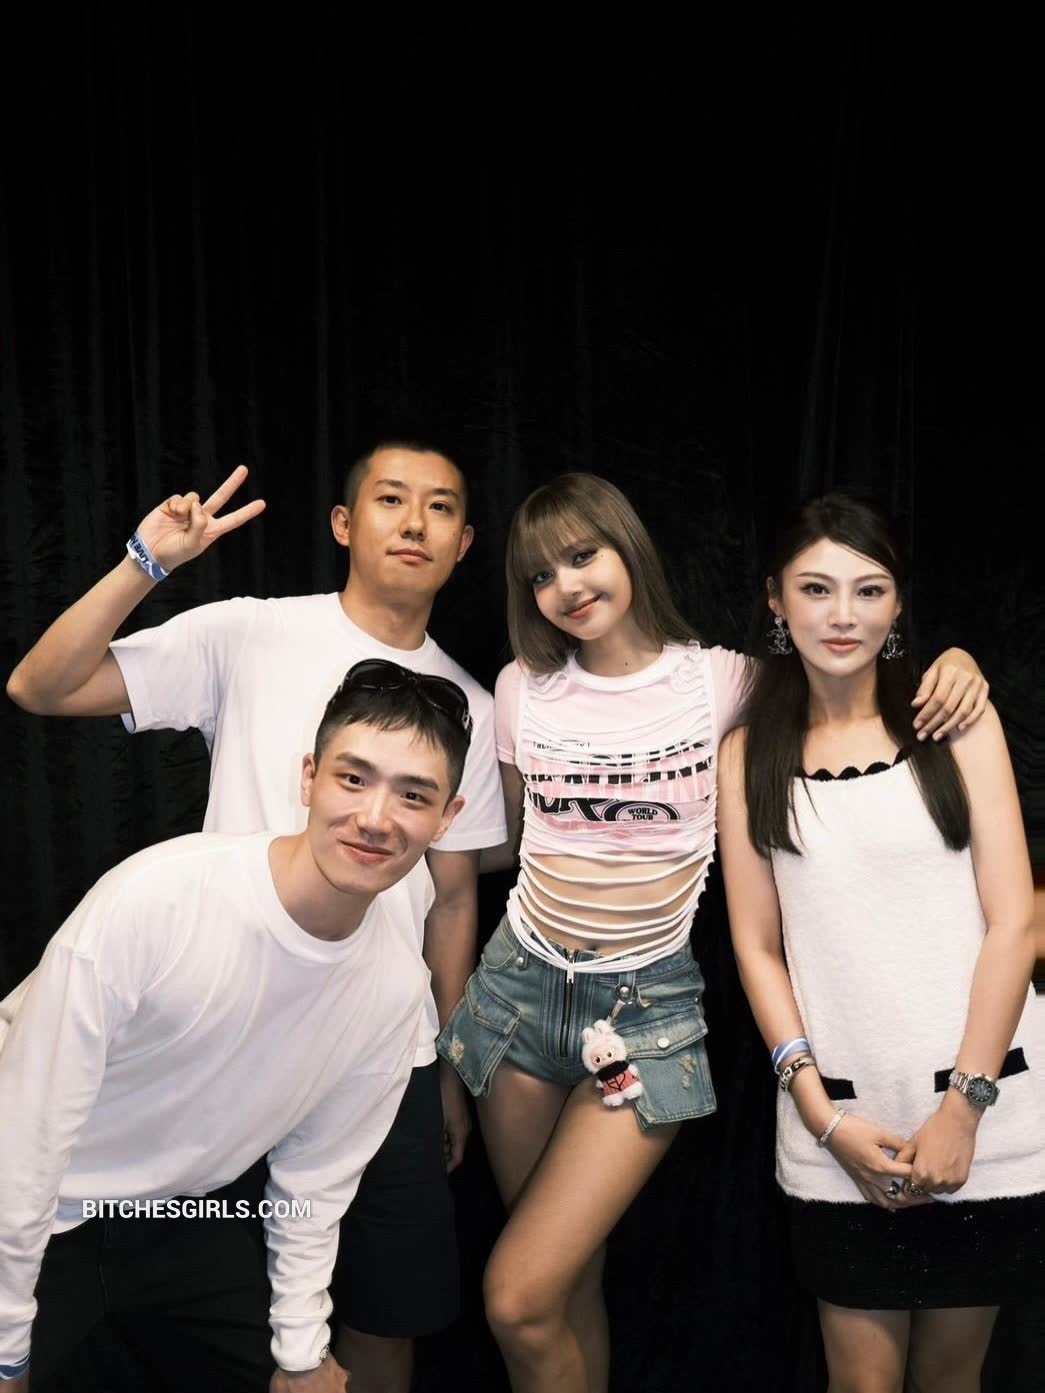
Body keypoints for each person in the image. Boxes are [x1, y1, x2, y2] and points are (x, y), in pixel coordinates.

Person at [436, 473, 988, 1393]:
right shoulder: (522, 688)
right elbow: (512, 839)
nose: (566, 585)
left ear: (626, 548)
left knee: (516, 1295)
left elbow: (842, 671)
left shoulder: (721, 680)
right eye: (540, 575)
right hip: (514, 996)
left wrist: (958, 656)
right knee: (562, 1283)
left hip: (644, 1011)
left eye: (582, 556)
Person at [5, 444, 506, 1392]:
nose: (413, 522)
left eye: (439, 507)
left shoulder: (468, 709)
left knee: (373, 1303)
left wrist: (442, 1060)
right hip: (214, 1025)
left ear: (465, 541)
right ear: (342, 522)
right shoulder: (252, 634)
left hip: (367, 1032)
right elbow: (43, 686)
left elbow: (450, 898)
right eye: (389, 499)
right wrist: (145, 563)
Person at [715, 493, 1044, 1393]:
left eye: (868, 590)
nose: (842, 614)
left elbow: (1013, 922)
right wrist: (821, 1115)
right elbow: (756, 944)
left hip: (986, 1115)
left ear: (897, 604)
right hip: (839, 1129)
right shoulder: (746, 754)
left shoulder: (953, 720)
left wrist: (963, 1110)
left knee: (949, 1378)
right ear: (775, 599)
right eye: (815, 588)